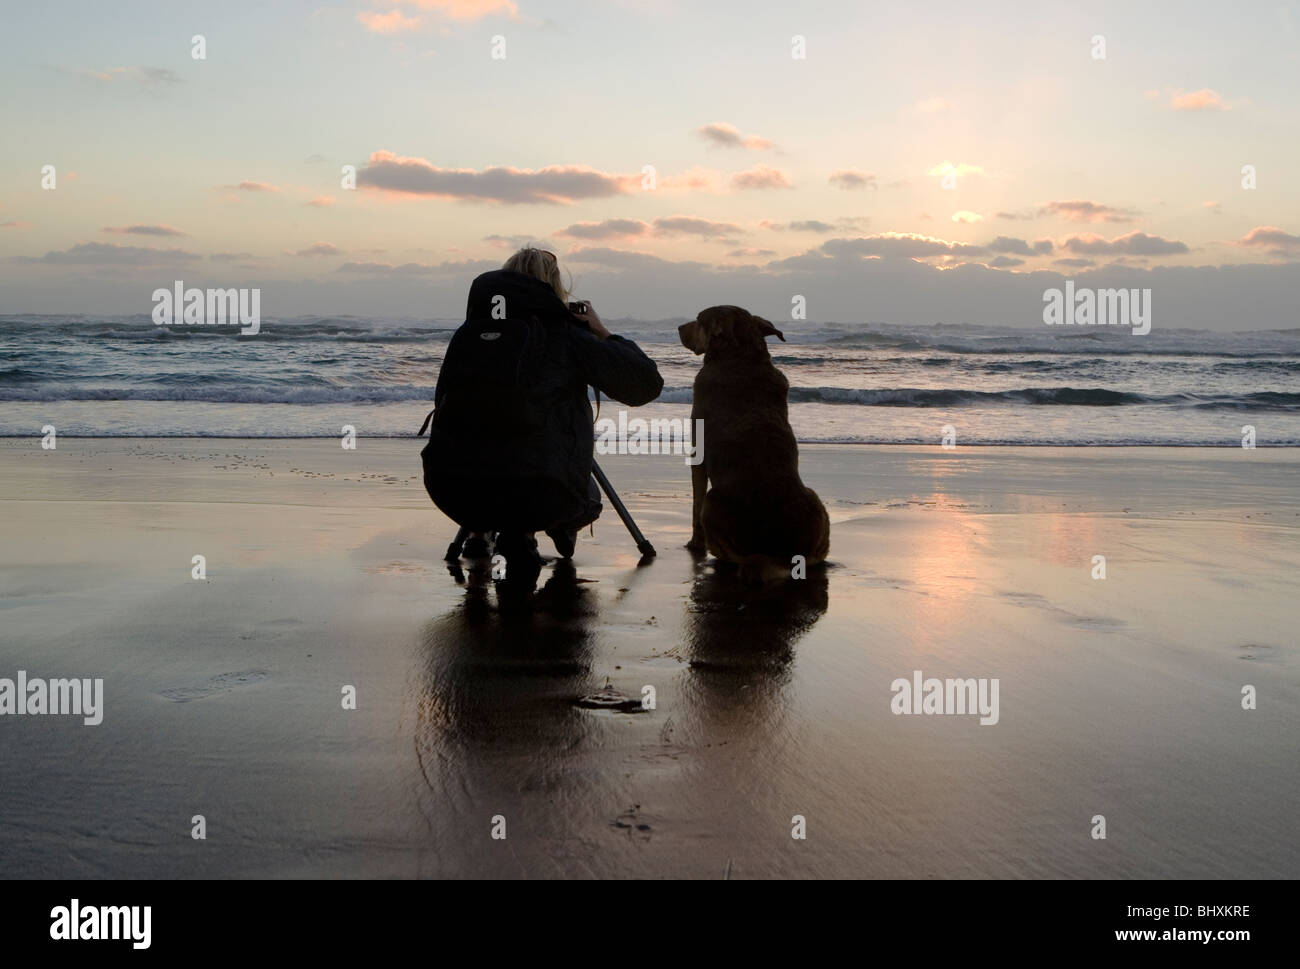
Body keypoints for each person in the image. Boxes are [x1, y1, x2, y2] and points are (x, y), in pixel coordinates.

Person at [420, 248, 663, 591]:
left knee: (492, 451)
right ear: (553, 288)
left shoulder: (468, 335)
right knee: (579, 492)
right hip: (542, 491)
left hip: (452, 488)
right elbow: (645, 385)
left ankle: (479, 530)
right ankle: (529, 530)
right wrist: (600, 330)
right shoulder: (567, 334)